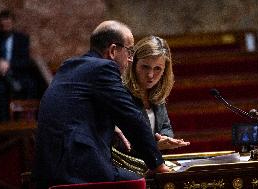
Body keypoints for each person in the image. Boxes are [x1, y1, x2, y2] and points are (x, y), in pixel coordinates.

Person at [32, 20, 170, 189]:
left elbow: (73, 112)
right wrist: (157, 164)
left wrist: (112, 126)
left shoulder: (71, 66)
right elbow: (131, 117)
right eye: (129, 51)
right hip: (76, 169)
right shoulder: (104, 68)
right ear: (113, 50)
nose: (130, 59)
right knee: (143, 182)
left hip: (47, 169)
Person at [112, 36, 190, 174]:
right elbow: (120, 143)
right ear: (133, 64)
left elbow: (165, 127)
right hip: (126, 170)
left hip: (151, 168)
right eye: (145, 67)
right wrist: (154, 145)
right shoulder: (121, 93)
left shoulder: (156, 96)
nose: (150, 75)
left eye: (157, 69)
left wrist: (166, 139)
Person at [0, 9, 39, 122]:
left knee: (31, 85)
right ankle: (4, 125)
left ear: (13, 23)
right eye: (3, 25)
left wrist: (9, 64)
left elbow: (25, 61)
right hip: (0, 76)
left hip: (18, 74)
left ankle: (26, 121)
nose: (5, 26)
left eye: (8, 23)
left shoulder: (22, 39)